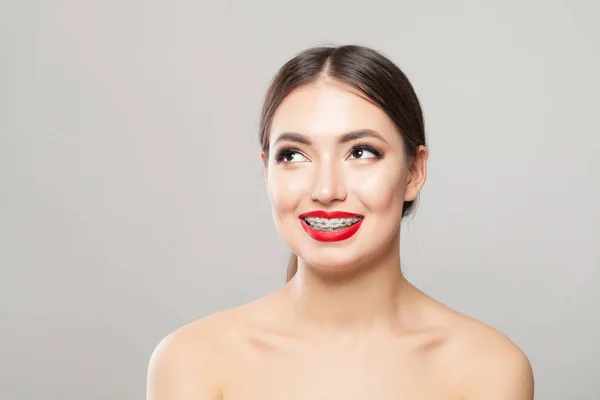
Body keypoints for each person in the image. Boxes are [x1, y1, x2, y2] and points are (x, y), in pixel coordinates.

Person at [146, 44, 534, 400]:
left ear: (414, 172)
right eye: (294, 155)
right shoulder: (192, 361)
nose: (326, 189)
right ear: (267, 172)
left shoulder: (489, 368)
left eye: (361, 152)